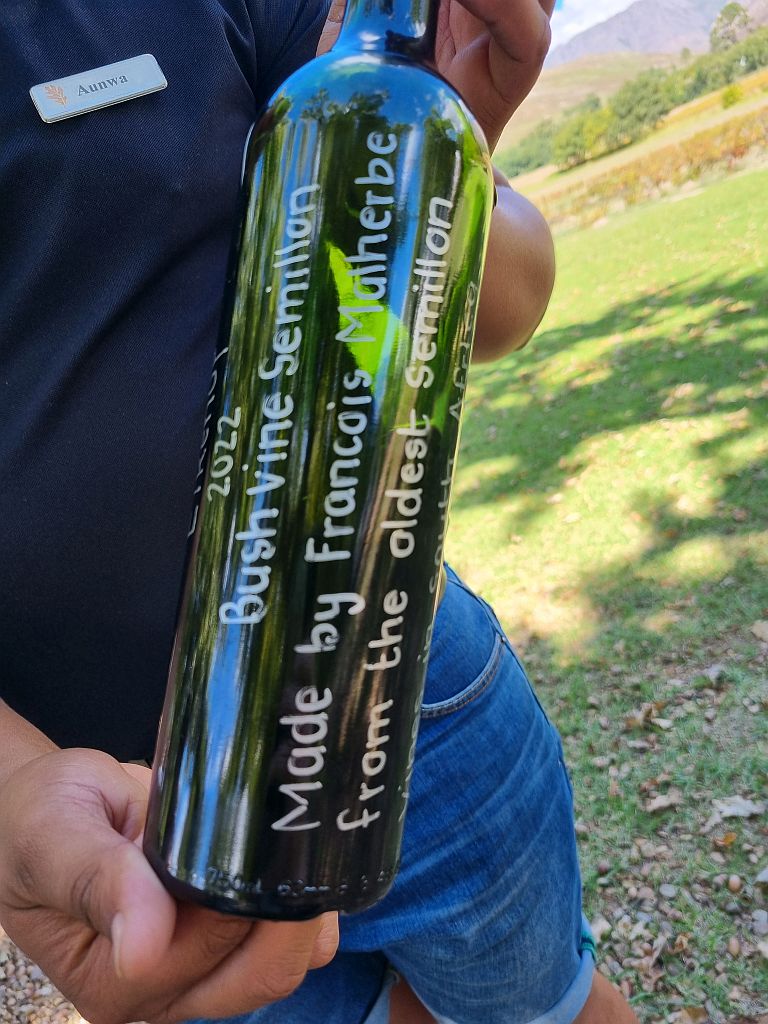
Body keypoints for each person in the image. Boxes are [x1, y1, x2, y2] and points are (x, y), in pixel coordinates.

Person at [0, 1, 638, 1022]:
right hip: (134, 808)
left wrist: (436, 170)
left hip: (396, 697)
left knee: (543, 1008)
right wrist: (11, 790)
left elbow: (510, 299)